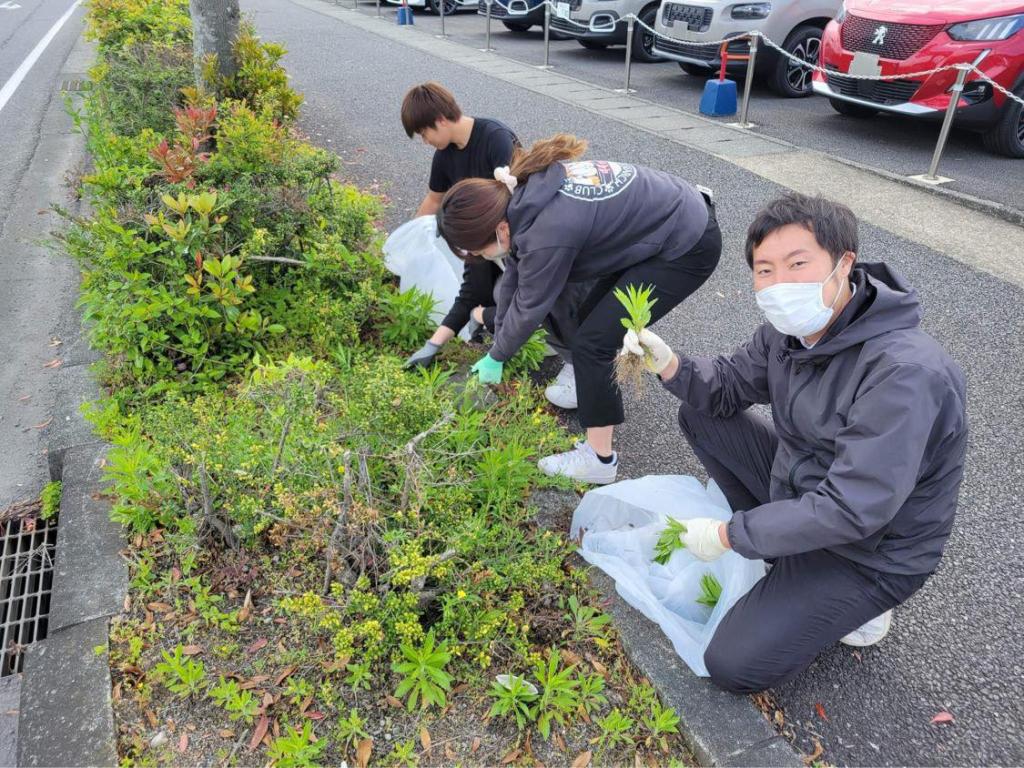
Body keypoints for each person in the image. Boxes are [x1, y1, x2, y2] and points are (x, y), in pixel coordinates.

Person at [623, 193, 968, 692]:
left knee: (733, 664)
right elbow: (725, 386)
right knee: (701, 415)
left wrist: (728, 535)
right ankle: (782, 554)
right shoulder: (788, 335)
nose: (779, 284)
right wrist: (669, 363)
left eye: (797, 263)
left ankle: (855, 602)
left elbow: (854, 508)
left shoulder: (905, 374)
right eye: (764, 270)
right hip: (806, 488)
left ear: (844, 263)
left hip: (870, 550)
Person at [436, 134, 722, 484]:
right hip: (667, 219)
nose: (481, 257)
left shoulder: (548, 230)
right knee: (587, 318)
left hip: (686, 244)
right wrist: (498, 340)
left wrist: (497, 356)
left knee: (594, 342)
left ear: (499, 228)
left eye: (478, 250)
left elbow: (530, 305)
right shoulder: (520, 198)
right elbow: (515, 273)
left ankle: (599, 460)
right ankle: (587, 388)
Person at [399, 82, 516, 370]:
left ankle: (538, 332)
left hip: (509, 236)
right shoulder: (444, 156)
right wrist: (407, 247)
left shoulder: (496, 139)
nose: (425, 141)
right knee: (474, 287)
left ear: (440, 119)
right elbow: (434, 200)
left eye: (424, 133)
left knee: (512, 293)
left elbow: (515, 197)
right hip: (478, 238)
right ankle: (497, 323)